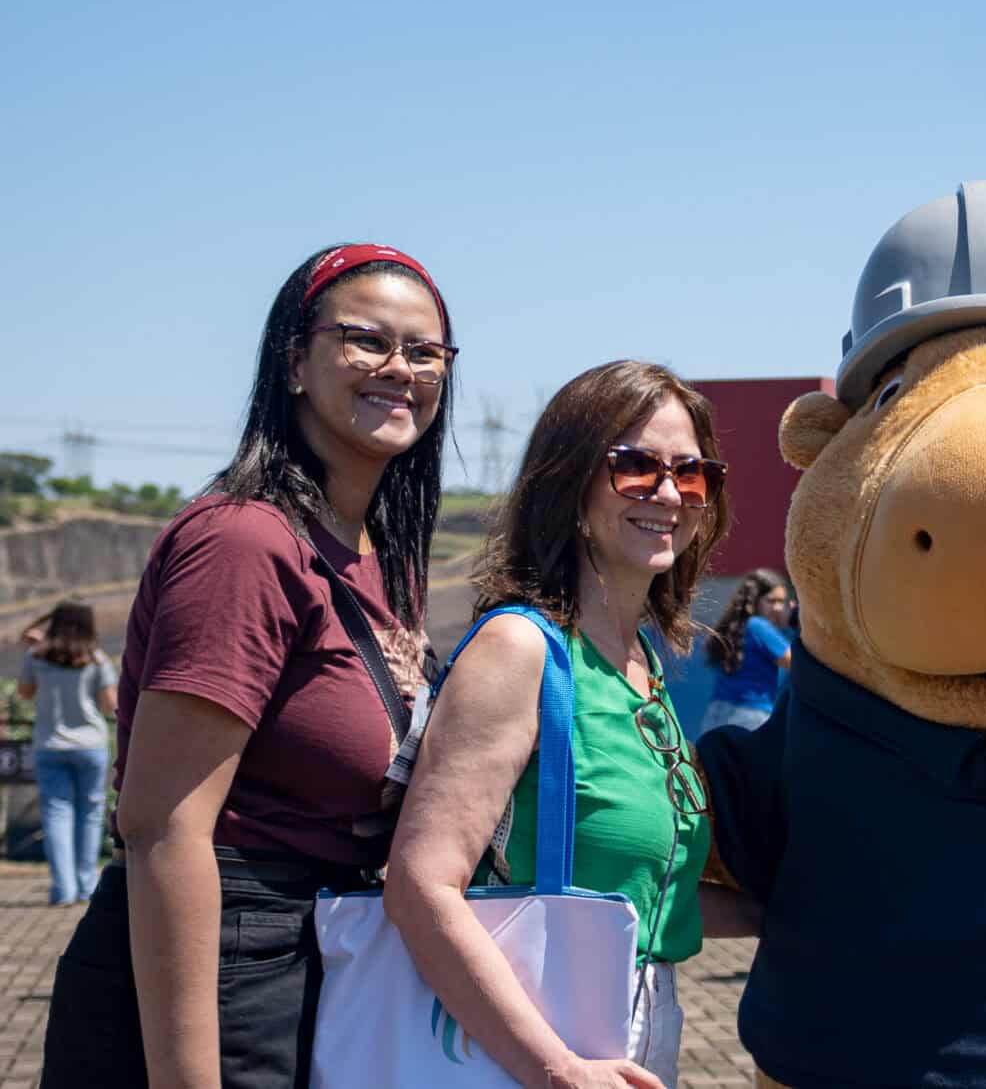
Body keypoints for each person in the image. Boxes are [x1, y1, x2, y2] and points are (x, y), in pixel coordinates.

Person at [42, 242, 455, 1089]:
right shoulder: (243, 541)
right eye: (366, 339)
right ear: (296, 362)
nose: (399, 367)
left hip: (316, 946)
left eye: (424, 351)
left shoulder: (375, 554)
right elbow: (162, 828)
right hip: (216, 964)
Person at [385, 360, 746, 1089]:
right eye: (636, 467)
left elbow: (644, 886)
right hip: (532, 1043)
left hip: (637, 1022)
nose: (670, 492)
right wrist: (557, 1070)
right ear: (571, 484)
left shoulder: (639, 658)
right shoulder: (521, 649)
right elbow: (419, 885)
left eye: (692, 472)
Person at [14, 600, 117, 905]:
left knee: (57, 814)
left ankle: (63, 889)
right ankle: (86, 886)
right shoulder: (96, 658)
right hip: (90, 745)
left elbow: (24, 692)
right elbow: (109, 704)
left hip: (50, 744)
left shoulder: (36, 656)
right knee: (90, 812)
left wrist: (34, 647)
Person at [702, 568, 793, 731]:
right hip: (751, 715)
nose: (778, 608)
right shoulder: (759, 626)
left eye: (782, 602)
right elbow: (795, 663)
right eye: (772, 601)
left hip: (717, 713)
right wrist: (794, 623)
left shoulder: (737, 627)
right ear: (755, 600)